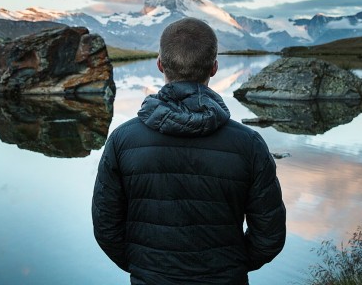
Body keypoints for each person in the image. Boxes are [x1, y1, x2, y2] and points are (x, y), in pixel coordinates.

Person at [91, 17, 286, 285]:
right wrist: (231, 265)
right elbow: (270, 235)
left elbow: (106, 228)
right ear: (214, 67)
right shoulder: (249, 144)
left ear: (160, 64)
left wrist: (145, 266)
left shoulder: (122, 140)